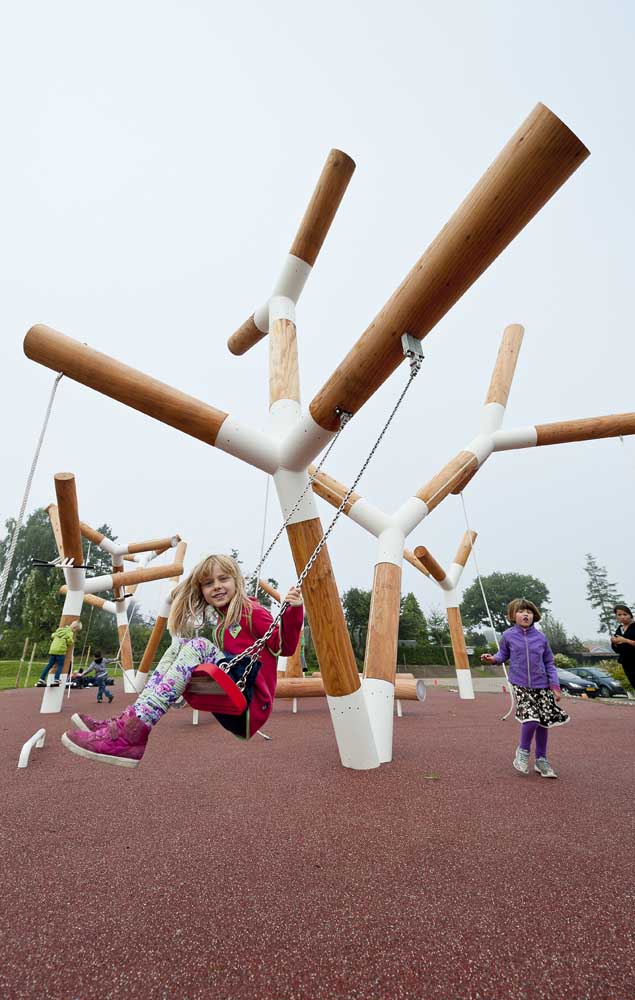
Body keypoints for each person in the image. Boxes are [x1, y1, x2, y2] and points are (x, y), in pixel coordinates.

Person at [61, 554, 304, 767]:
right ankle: (129, 722)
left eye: (223, 579)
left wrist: (294, 610)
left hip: (251, 704)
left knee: (198, 646)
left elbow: (285, 646)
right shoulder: (222, 626)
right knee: (179, 644)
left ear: (237, 581)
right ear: (202, 591)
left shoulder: (252, 613)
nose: (217, 587)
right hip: (233, 700)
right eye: (208, 583)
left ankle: (134, 731)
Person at [481, 598, 568, 778]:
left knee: (544, 723)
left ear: (534, 615)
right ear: (513, 616)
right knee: (532, 719)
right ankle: (523, 752)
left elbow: (549, 662)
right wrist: (493, 659)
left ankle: (541, 760)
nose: (525, 614)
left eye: (529, 611)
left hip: (542, 686)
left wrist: (555, 686)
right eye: (521, 611)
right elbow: (503, 654)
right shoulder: (508, 635)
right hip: (520, 684)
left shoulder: (541, 638)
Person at [36, 620, 82, 687]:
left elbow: (53, 635)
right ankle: (56, 679)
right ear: (74, 628)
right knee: (60, 665)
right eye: (76, 630)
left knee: (50, 664)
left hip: (53, 649)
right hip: (60, 651)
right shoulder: (70, 633)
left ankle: (41, 678)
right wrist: (72, 641)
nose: (75, 632)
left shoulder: (60, 629)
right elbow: (69, 642)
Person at [611, 604, 635, 690]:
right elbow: (617, 650)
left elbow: (624, 641)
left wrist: (626, 640)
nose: (622, 617)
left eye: (625, 614)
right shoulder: (619, 629)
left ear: (630, 615)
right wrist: (614, 642)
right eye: (619, 615)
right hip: (626, 662)